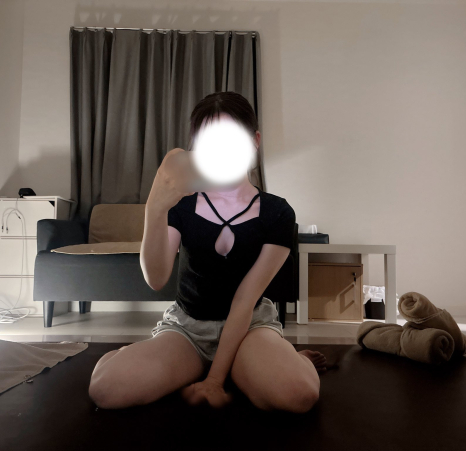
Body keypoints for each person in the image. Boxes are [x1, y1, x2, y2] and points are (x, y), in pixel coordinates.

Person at [88, 91, 327, 413]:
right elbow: (156, 279)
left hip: (250, 327)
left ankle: (289, 360)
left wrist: (214, 379)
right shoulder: (183, 204)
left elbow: (244, 300)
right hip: (188, 329)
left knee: (297, 395)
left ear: (254, 141)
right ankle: (192, 364)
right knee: (106, 389)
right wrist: (155, 207)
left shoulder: (278, 212)